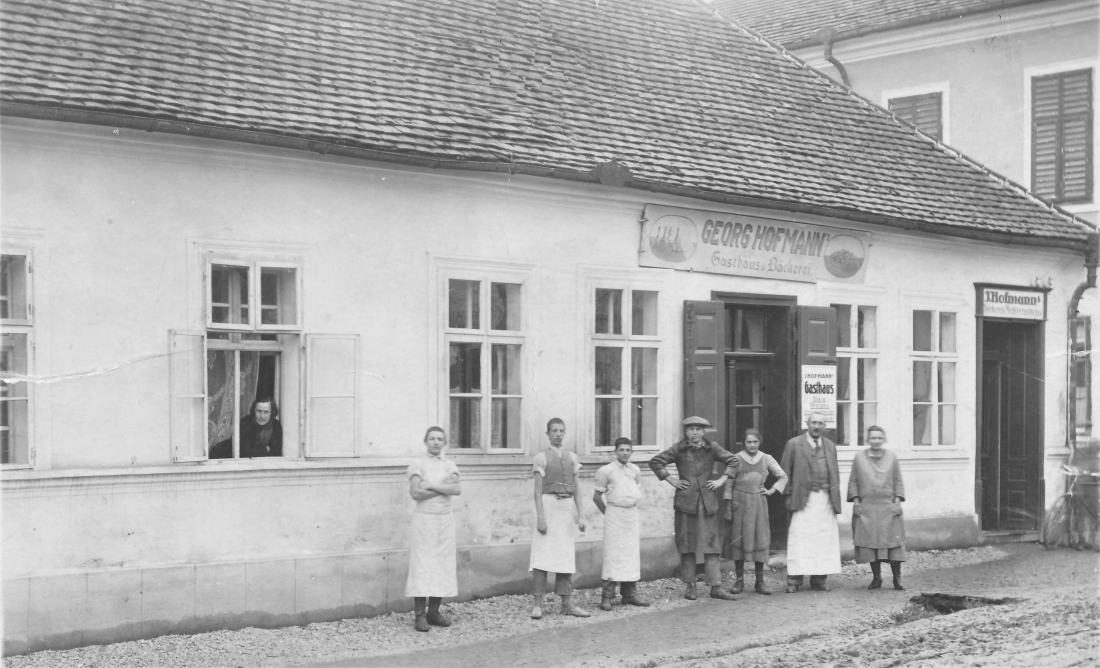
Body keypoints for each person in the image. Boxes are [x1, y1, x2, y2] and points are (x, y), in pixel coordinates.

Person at [649, 416, 740, 601]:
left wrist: (721, 480)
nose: (695, 433)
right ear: (686, 431)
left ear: (704, 431)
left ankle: (715, 586)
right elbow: (656, 462)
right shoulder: (678, 448)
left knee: (712, 545)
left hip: (708, 503)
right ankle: (690, 586)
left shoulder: (712, 447)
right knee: (687, 544)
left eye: (698, 429)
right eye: (691, 429)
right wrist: (672, 480)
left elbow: (733, 461)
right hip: (686, 503)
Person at [529, 418, 590, 619]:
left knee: (565, 556)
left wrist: (581, 515)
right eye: (554, 431)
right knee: (542, 556)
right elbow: (537, 493)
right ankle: (538, 603)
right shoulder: (541, 458)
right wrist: (541, 518)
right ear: (548, 434)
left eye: (561, 431)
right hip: (548, 506)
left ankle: (567, 603)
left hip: (565, 509)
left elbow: (578, 490)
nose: (558, 434)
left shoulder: (572, 457)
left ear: (565, 433)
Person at [405, 426, 462, 632]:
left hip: (444, 521)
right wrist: (441, 490)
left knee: (442, 564)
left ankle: (434, 612)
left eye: (440, 439)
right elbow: (415, 493)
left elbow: (456, 489)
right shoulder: (418, 464)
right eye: (432, 438)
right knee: (422, 565)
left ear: (444, 442)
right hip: (424, 521)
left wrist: (429, 486)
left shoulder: (449, 465)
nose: (436, 442)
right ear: (425, 441)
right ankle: (420, 616)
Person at [780, 412, 841, 593]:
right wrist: (788, 495)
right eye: (813, 422)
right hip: (803, 498)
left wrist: (835, 498)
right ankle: (794, 580)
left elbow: (834, 472)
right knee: (801, 538)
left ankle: (819, 579)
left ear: (825, 426)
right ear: (807, 424)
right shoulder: (794, 444)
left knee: (823, 538)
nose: (817, 426)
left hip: (825, 499)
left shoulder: (830, 446)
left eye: (820, 423)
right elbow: (784, 473)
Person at [723, 428, 787, 595]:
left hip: (758, 503)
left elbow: (783, 476)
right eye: (748, 442)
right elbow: (729, 483)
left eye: (755, 442)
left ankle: (760, 581)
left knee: (759, 538)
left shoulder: (767, 459)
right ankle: (739, 581)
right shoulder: (735, 459)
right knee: (739, 539)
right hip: (739, 503)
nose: (752, 445)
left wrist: (772, 490)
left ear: (760, 442)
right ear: (744, 442)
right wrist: (728, 504)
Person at [592, 437, 653, 611]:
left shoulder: (635, 469)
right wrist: (610, 514)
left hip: (631, 515)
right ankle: (607, 597)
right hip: (614, 515)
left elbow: (635, 491)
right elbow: (596, 498)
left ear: (631, 452)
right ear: (615, 451)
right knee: (613, 555)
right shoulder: (606, 471)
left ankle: (629, 594)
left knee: (631, 554)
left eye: (628, 450)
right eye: (622, 450)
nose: (625, 453)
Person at [847, 426, 907, 591]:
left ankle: (897, 579)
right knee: (871, 545)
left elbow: (898, 481)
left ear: (884, 439)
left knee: (893, 544)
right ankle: (876, 578)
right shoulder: (859, 458)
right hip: (868, 508)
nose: (876, 441)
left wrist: (897, 502)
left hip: (888, 507)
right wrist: (857, 502)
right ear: (868, 440)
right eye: (873, 438)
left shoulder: (892, 457)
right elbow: (853, 481)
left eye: (879, 438)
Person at [210, 397, 283, 459]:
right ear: (254, 411)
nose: (262, 416)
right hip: (224, 456)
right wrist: (266, 449)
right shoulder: (245, 423)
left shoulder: (276, 425)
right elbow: (245, 453)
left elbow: (276, 452)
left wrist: (256, 451)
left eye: (266, 412)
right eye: (259, 411)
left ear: (272, 412)